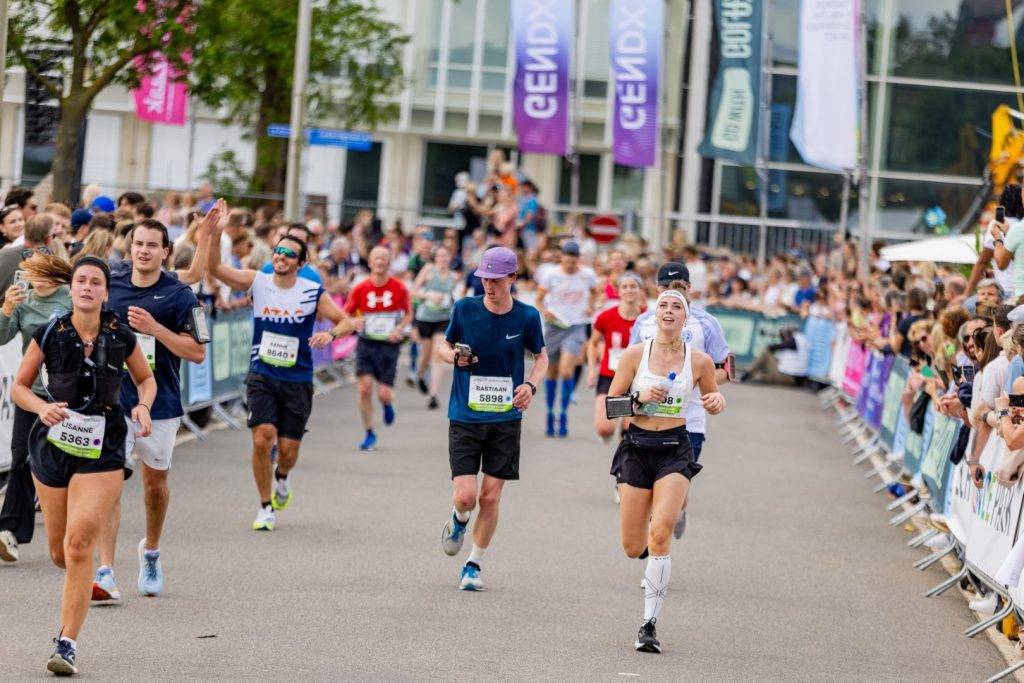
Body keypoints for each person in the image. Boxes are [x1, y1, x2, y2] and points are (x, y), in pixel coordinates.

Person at [13, 255, 156, 675]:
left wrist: (144, 407)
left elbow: (146, 379)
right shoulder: (50, 333)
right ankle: (81, 573)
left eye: (96, 282)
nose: (88, 288)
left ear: (106, 292)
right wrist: (41, 408)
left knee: (78, 546)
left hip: (104, 447)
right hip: (54, 446)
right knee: (60, 552)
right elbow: (20, 388)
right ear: (71, 289)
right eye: (81, 281)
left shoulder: (121, 334)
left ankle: (67, 643)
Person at [92, 211, 218, 601]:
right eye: (138, 244)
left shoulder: (181, 295)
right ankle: (106, 571)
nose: (144, 251)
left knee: (155, 486)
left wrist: (155, 329)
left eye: (152, 245)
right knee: (110, 484)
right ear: (130, 247)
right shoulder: (110, 284)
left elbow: (197, 352)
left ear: (166, 251)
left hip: (160, 402)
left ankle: (151, 552)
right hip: (112, 401)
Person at [207, 224, 353, 531]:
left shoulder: (312, 292)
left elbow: (347, 321)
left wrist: (330, 333)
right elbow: (214, 269)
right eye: (279, 252)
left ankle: (282, 477)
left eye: (290, 254)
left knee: (288, 451)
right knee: (262, 439)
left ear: (301, 264)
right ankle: (264, 506)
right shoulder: (258, 281)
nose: (281, 257)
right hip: (261, 374)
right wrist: (213, 234)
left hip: (297, 379)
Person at [608, 289, 725, 653]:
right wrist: (640, 400)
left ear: (686, 318)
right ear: (654, 315)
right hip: (637, 448)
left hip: (675, 448)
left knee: (661, 534)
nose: (670, 311)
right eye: (663, 306)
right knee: (633, 546)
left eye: (677, 307)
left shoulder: (700, 360)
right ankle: (651, 562)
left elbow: (712, 398)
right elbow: (612, 406)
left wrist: (717, 401)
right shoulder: (635, 355)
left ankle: (649, 625)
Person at [439, 247, 548, 590]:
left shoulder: (527, 317)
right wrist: (454, 357)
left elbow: (542, 358)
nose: (489, 284)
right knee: (467, 496)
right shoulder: (465, 309)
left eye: (496, 279)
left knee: (490, 498)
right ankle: (459, 520)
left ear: (513, 278)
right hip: (465, 414)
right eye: (484, 278)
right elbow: (444, 345)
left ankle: (473, 564)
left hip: (505, 417)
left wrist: (530, 385)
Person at [0, 254, 73, 563]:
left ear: (54, 274)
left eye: (38, 273)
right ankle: (9, 532)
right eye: (28, 273)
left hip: (67, 397)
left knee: (65, 464)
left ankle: (75, 529)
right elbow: (2, 336)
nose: (32, 279)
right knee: (21, 458)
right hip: (32, 394)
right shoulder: (24, 301)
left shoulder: (70, 300)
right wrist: (6, 309)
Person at [344, 246, 412, 451]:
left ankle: (388, 404)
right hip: (366, 343)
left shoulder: (399, 288)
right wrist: (355, 322)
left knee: (383, 393)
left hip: (389, 345)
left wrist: (399, 329)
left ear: (389, 262)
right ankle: (369, 433)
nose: (380, 262)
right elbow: (346, 313)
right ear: (370, 263)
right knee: (364, 388)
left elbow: (409, 314)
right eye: (376, 259)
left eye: (384, 259)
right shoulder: (360, 288)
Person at [535, 241, 598, 437]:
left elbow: (596, 292)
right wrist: (545, 311)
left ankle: (563, 414)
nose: (570, 265)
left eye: (573, 262)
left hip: (576, 326)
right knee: (552, 373)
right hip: (555, 326)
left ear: (578, 259)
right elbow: (538, 298)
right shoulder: (551, 274)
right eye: (567, 261)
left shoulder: (587, 274)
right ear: (561, 257)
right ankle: (550, 413)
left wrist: (591, 306)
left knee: (565, 370)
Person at [588, 273, 644, 442]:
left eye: (633, 286)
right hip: (610, 377)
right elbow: (593, 343)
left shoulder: (647, 319)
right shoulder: (606, 317)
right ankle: (612, 431)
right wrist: (592, 370)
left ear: (640, 291)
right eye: (624, 287)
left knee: (627, 432)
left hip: (636, 380)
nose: (629, 290)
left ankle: (623, 464)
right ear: (618, 291)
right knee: (605, 429)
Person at [411, 245, 458, 409]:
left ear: (449, 258)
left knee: (438, 354)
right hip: (425, 318)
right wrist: (429, 295)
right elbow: (413, 291)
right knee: (425, 355)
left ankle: (433, 394)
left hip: (444, 318)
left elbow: (454, 296)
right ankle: (420, 374)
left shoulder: (453, 276)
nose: (443, 259)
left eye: (445, 256)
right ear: (435, 258)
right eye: (440, 256)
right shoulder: (429, 270)